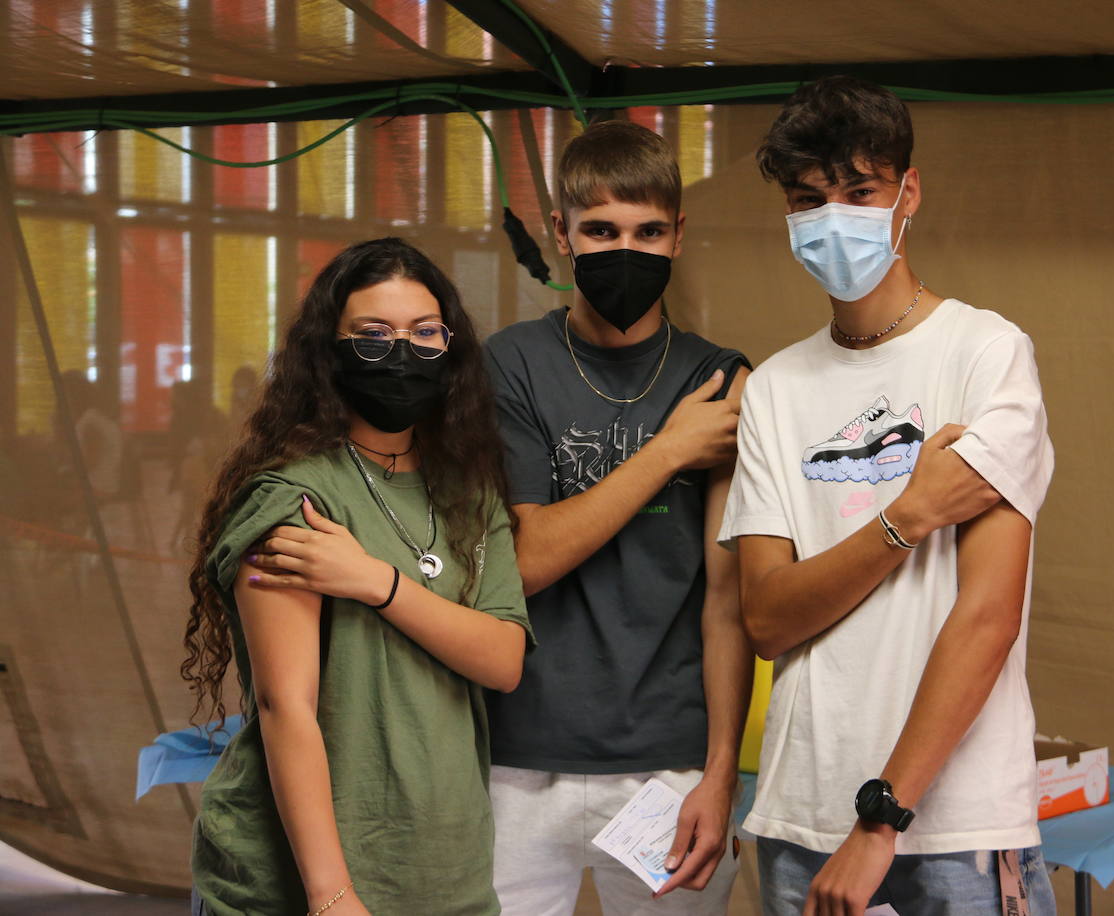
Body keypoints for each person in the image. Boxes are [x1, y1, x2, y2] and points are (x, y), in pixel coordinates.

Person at [720, 76, 1057, 915]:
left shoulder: (986, 354)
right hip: (802, 815)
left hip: (951, 825)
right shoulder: (776, 387)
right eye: (809, 199)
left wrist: (883, 820)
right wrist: (907, 515)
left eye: (859, 191)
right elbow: (767, 618)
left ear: (909, 191)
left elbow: (987, 618)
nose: (834, 217)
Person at [181, 237, 532, 916]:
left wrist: (378, 582)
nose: (403, 353)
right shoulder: (295, 497)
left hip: (443, 877)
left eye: (424, 333)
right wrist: (331, 894)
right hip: (308, 884)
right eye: (373, 336)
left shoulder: (468, 492)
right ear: (328, 352)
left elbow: (503, 659)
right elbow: (289, 709)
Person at [482, 119, 753, 913]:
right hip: (519, 757)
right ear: (560, 232)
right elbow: (527, 558)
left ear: (677, 237)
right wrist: (669, 452)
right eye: (600, 229)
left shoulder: (721, 378)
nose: (624, 250)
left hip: (671, 765)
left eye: (647, 231)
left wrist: (721, 769)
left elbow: (727, 602)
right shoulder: (511, 363)